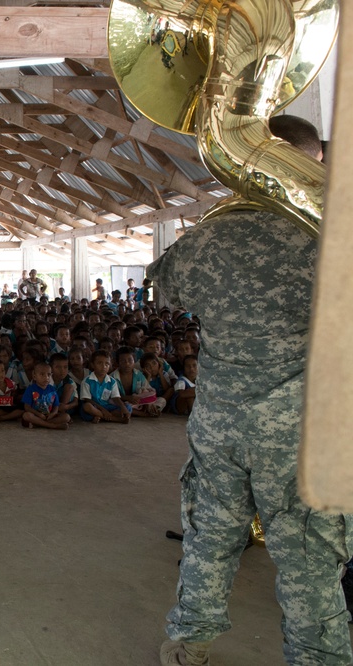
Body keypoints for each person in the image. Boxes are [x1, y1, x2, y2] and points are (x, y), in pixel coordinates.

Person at [154, 115, 352, 666]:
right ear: (309, 163)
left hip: (218, 424)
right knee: (309, 559)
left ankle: (187, 645)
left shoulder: (210, 233)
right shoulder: (329, 235)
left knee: (209, 540)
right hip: (296, 435)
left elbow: (165, 286)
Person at [79, 350, 130, 423]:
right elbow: (87, 400)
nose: (104, 367)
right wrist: (103, 410)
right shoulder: (87, 381)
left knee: (127, 407)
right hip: (94, 406)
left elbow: (116, 398)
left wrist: (123, 408)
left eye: (107, 364)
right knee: (87, 407)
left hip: (107, 406)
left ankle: (101, 417)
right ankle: (115, 419)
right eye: (99, 363)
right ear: (93, 365)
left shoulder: (112, 381)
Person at [20, 361, 70, 430]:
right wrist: (39, 414)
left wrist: (53, 413)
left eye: (48, 374)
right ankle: (53, 426)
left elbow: (56, 405)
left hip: (48, 416)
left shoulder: (52, 389)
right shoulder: (30, 389)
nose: (46, 377)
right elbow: (27, 407)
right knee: (26, 415)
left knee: (66, 417)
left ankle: (39, 424)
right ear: (34, 376)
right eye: (42, 374)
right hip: (36, 415)